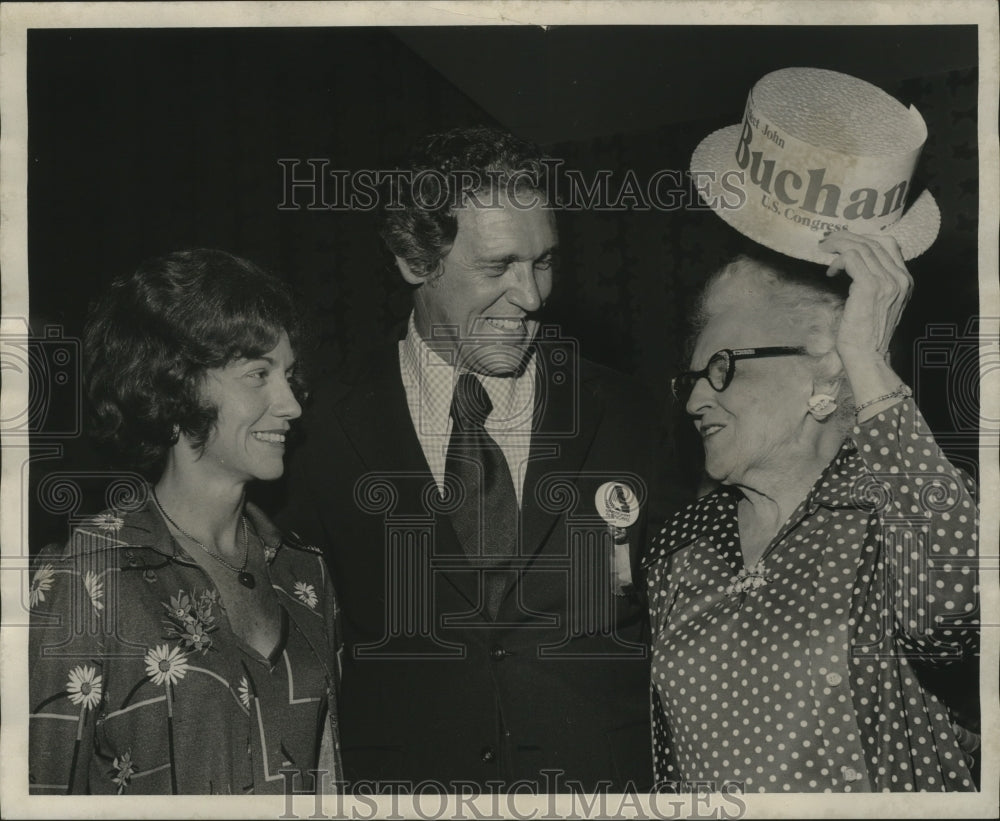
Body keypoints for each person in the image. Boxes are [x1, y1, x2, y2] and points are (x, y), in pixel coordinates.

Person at [278, 126, 676, 791]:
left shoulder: (626, 410)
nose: (533, 295)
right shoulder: (318, 430)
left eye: (544, 260)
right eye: (499, 266)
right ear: (413, 260)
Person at [648, 232, 979, 792]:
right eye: (693, 377)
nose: (694, 401)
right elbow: (668, 761)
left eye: (722, 368)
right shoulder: (684, 541)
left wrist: (865, 359)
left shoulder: (893, 507)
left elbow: (957, 613)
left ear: (821, 375)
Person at [28, 249, 342, 795]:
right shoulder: (84, 579)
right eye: (258, 376)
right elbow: (38, 791)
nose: (291, 403)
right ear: (174, 386)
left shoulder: (304, 574)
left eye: (289, 376)